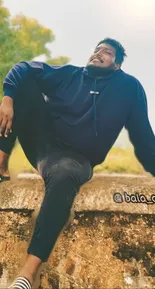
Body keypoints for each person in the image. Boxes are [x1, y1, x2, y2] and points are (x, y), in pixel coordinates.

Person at [0, 37, 155, 289]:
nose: (98, 54)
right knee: (23, 85)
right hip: (43, 145)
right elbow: (23, 67)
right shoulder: (71, 74)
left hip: (76, 159)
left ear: (117, 64)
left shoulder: (129, 88)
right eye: (96, 50)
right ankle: (0, 163)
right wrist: (7, 99)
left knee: (63, 176)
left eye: (106, 52)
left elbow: (144, 138)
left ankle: (27, 275)